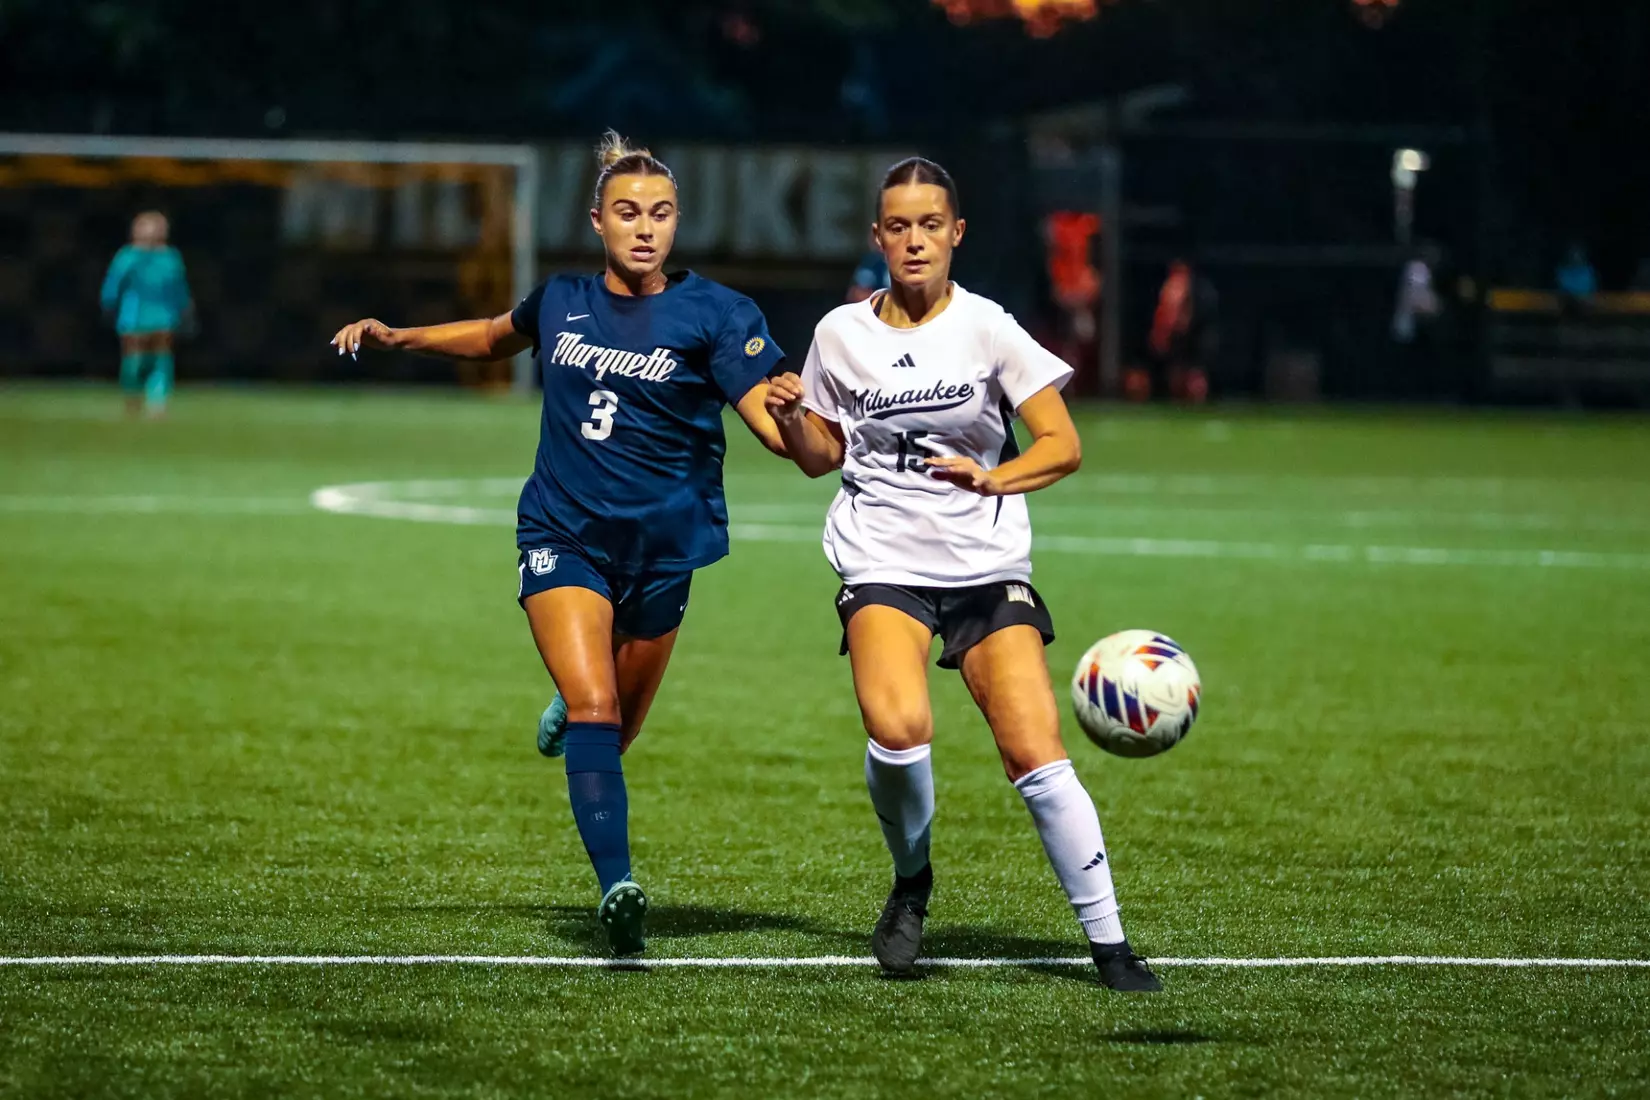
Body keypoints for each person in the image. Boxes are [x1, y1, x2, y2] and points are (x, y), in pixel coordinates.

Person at [329, 132, 789, 957]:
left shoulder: (718, 314)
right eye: (627, 213)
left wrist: (798, 418)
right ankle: (618, 888)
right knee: (595, 710)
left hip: (666, 547)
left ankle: (574, 700)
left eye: (660, 213)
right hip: (563, 532)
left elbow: (774, 429)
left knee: (616, 731)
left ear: (678, 220)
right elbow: (493, 335)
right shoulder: (562, 300)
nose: (644, 228)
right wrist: (401, 337)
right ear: (596, 221)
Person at [764, 157, 1161, 992]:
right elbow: (820, 458)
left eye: (930, 225)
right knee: (899, 728)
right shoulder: (841, 333)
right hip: (882, 558)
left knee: (1034, 750)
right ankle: (913, 882)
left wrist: (993, 478)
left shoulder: (987, 327)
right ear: (878, 237)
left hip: (985, 565)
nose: (915, 241)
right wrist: (795, 419)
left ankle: (1112, 944)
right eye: (898, 227)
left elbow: (1062, 445)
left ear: (956, 234)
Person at [101, 211, 193, 418]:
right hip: (140, 316)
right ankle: (141, 400)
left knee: (155, 359)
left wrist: (184, 310)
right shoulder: (135, 257)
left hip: (155, 316)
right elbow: (113, 286)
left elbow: (179, 289)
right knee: (141, 360)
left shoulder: (161, 257)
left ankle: (151, 402)